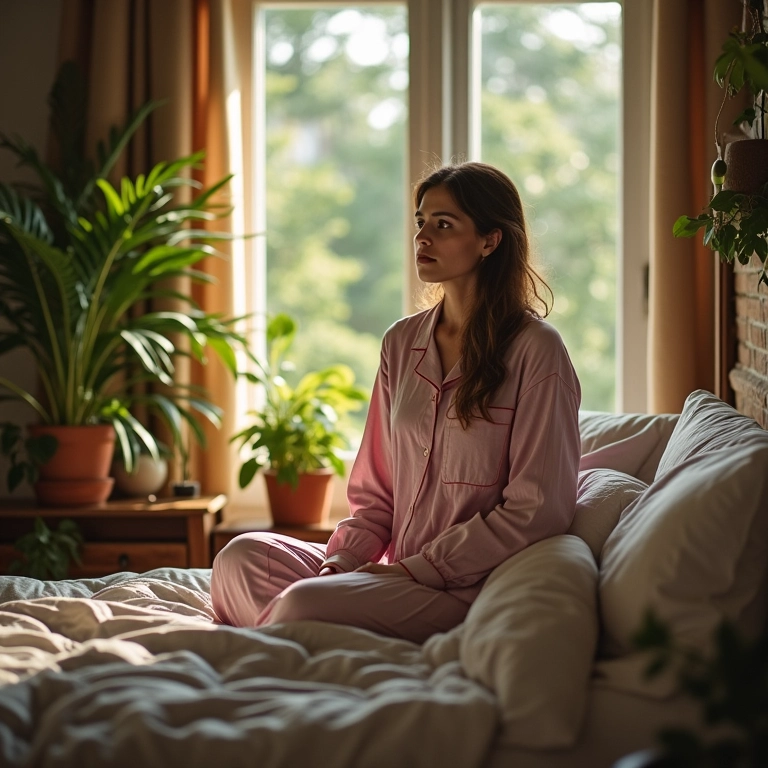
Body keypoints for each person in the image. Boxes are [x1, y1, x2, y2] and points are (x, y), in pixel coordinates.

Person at [211, 161, 581, 644]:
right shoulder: (401, 343)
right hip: (390, 575)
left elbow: (538, 510)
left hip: (462, 589)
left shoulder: (538, 351)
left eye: (444, 225)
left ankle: (294, 633)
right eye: (420, 222)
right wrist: (339, 567)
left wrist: (417, 570)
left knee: (303, 603)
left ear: (491, 240)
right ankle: (305, 632)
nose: (423, 237)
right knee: (240, 559)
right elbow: (375, 497)